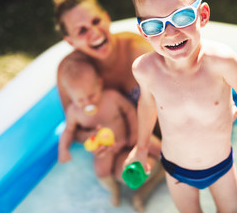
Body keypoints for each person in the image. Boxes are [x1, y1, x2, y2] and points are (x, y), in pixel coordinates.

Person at [124, 0, 237, 212]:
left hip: (220, 167)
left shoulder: (223, 62)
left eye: (181, 17)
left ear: (202, 15)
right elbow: (147, 106)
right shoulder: (145, 70)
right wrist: (140, 149)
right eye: (154, 25)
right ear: (143, 31)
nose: (170, 33)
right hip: (175, 169)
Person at [51, 0, 164, 212]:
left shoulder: (138, 50)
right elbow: (76, 125)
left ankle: (161, 173)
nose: (94, 32)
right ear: (70, 41)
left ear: (107, 17)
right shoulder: (71, 75)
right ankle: (145, 185)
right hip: (120, 142)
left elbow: (178, 97)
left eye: (96, 21)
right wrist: (94, 141)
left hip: (163, 133)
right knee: (123, 173)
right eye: (82, 30)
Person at [58, 58, 161, 207]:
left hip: (128, 137)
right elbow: (69, 131)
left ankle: (169, 161)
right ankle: (114, 190)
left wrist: (133, 131)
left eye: (91, 95)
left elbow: (130, 111)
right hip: (106, 150)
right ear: (70, 96)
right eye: (80, 100)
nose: (88, 103)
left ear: (99, 84)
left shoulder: (111, 97)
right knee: (101, 170)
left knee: (150, 142)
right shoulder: (74, 112)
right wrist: (63, 150)